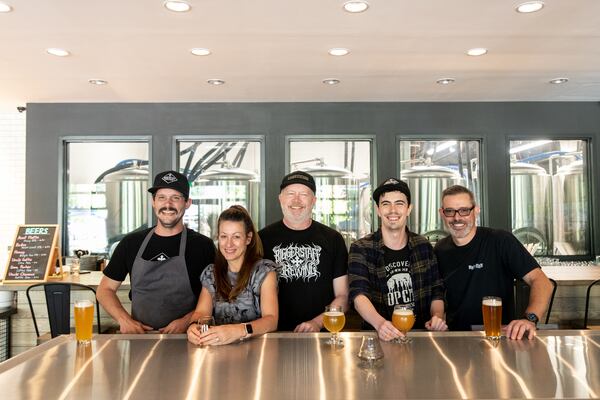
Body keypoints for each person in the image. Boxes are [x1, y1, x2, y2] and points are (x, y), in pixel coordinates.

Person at [97, 170, 216, 334]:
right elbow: (105, 290)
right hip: (140, 339)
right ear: (153, 202)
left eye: (175, 198)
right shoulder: (131, 243)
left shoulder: (203, 246)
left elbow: (218, 294)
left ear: (187, 203)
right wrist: (124, 320)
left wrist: (188, 320)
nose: (168, 204)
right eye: (162, 197)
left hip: (189, 338)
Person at [434, 185, 554, 340]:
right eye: (450, 211)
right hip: (457, 338)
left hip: (500, 336)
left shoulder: (500, 241)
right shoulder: (440, 249)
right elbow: (438, 295)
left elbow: (542, 282)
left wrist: (529, 319)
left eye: (464, 210)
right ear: (441, 213)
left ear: (476, 210)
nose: (457, 218)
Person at [349, 178, 447, 342]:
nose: (392, 210)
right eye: (386, 204)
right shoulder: (361, 248)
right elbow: (358, 295)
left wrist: (437, 317)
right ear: (378, 210)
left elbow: (437, 290)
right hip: (378, 337)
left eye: (399, 203)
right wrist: (380, 324)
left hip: (420, 338)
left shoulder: (423, 246)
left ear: (409, 209)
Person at [258, 171, 349, 332]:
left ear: (313, 200)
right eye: (290, 194)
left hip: (322, 335)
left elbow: (343, 296)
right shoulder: (262, 239)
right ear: (280, 199)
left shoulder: (333, 239)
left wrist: (317, 322)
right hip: (273, 335)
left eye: (304, 194)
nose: (296, 200)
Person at [187, 205, 278, 345]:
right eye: (224, 236)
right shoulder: (211, 273)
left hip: (257, 352)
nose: (228, 244)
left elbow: (271, 320)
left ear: (248, 238)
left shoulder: (264, 271)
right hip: (218, 351)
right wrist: (193, 327)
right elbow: (201, 313)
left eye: (236, 237)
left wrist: (237, 331)